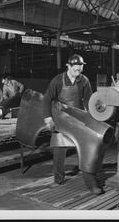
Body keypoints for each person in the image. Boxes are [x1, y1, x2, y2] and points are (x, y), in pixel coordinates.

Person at [42, 54, 103, 195]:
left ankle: (92, 184)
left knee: (86, 150)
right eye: (75, 70)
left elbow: (88, 101)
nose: (78, 72)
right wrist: (48, 119)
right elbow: (46, 100)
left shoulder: (84, 80)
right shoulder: (57, 80)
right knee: (58, 149)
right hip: (61, 117)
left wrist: (93, 118)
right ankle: (58, 179)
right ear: (68, 66)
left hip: (78, 118)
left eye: (80, 70)